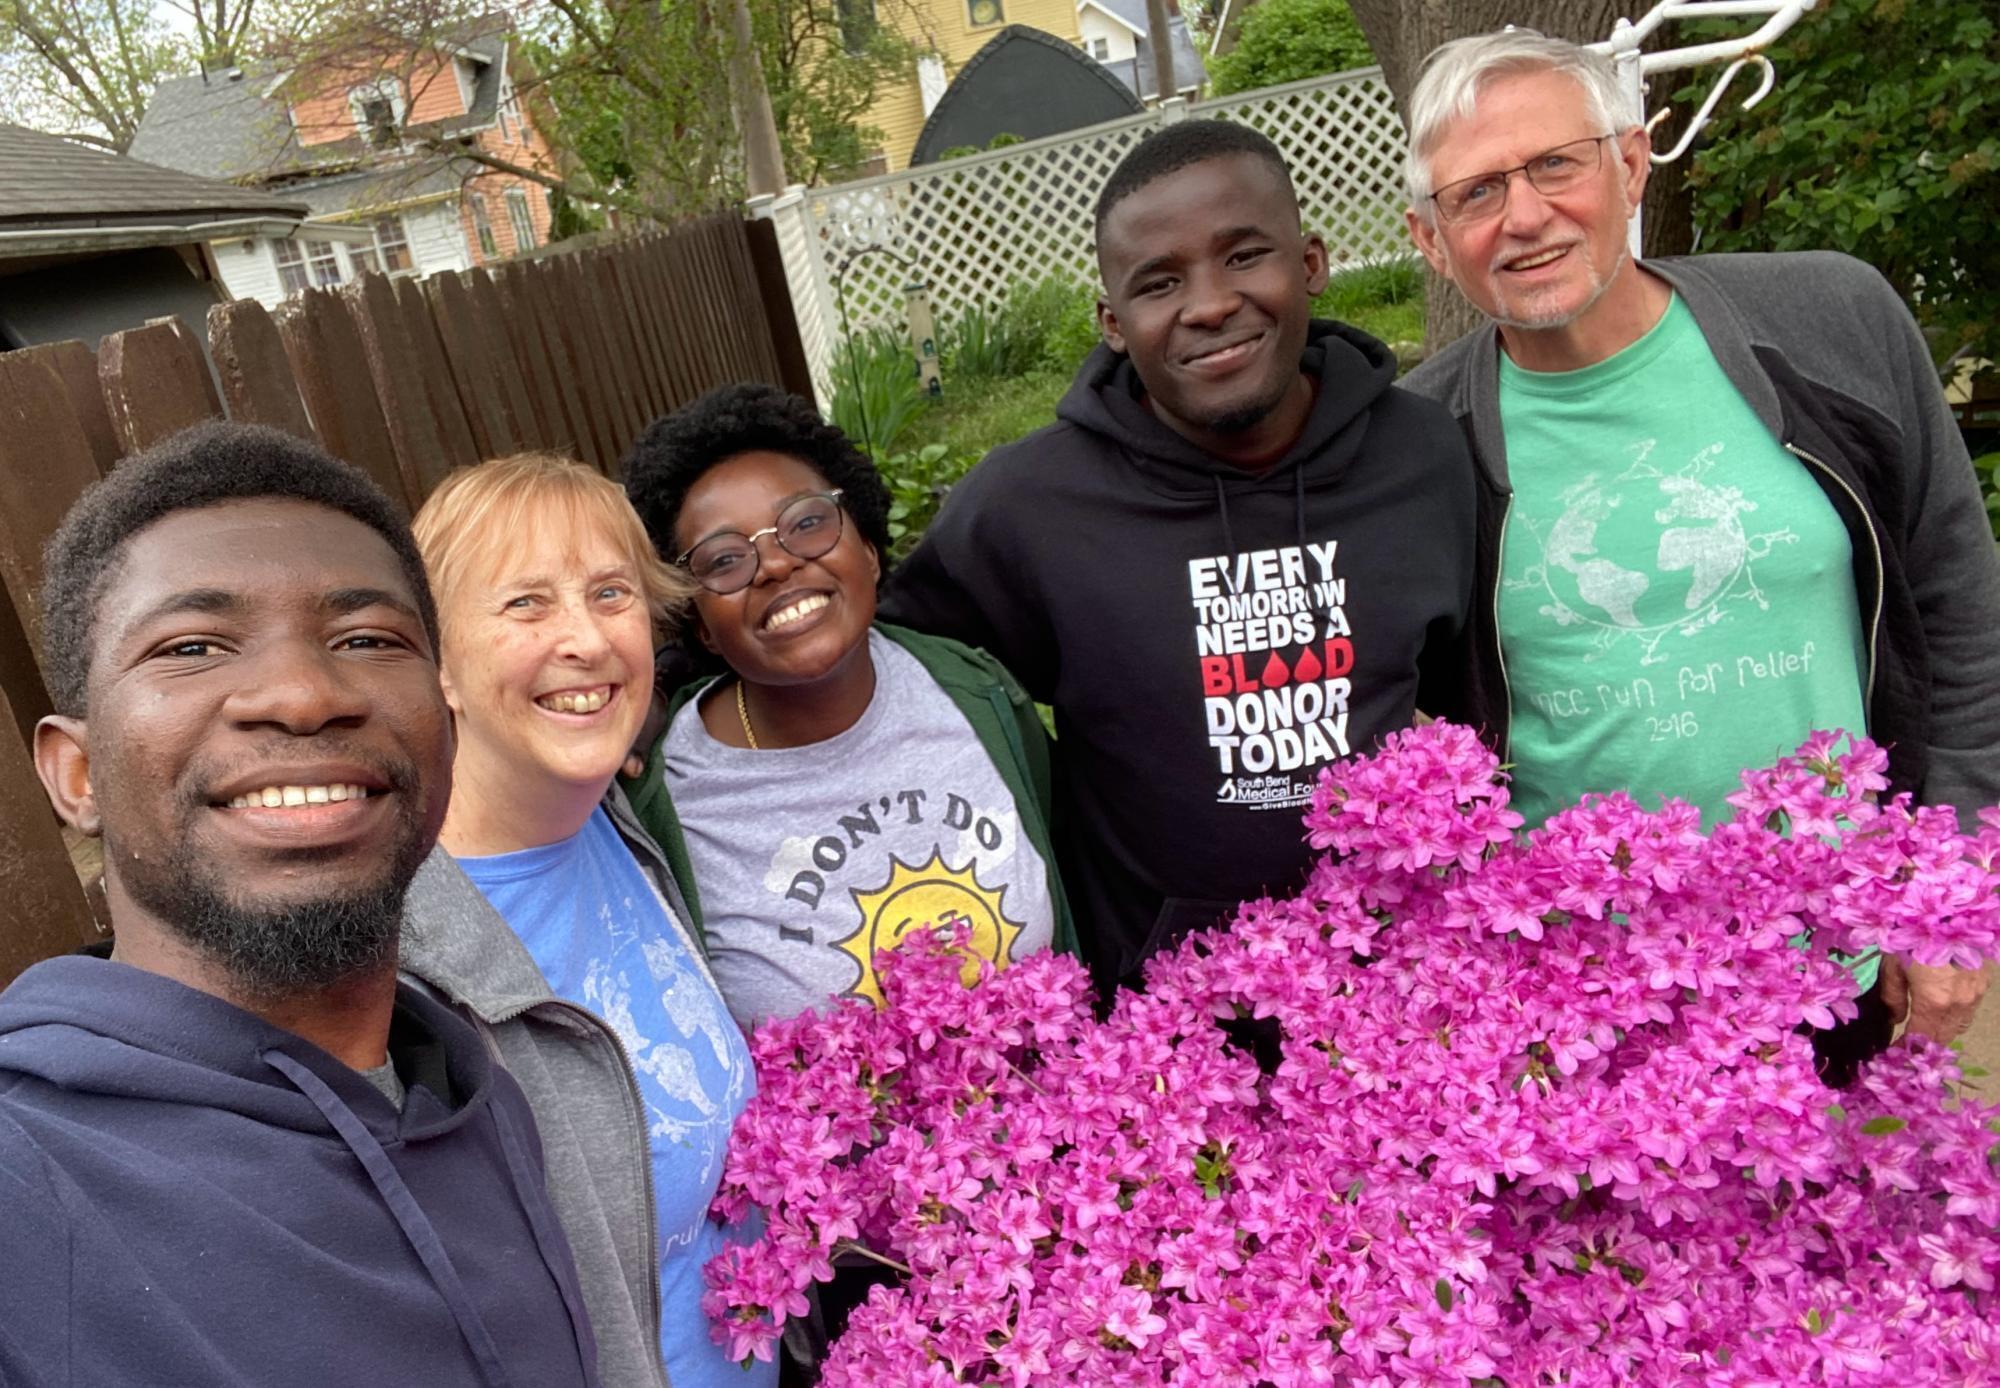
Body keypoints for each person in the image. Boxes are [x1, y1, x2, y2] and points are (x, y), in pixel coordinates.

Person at [1396, 29, 1999, 1072]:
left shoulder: (1829, 321)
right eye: (1475, 192)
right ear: (1428, 238)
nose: (1524, 215)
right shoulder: (1411, 444)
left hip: (1833, 964)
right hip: (1576, 1009)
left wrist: (1939, 886)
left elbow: (1960, 610)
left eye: (1554, 163)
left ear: (1628, 163)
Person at [1, 421, 600, 1388]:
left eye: (366, 638)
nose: (302, 693)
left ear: (446, 732)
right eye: (193, 645)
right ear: (76, 775)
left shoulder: (475, 1093)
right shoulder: (27, 1188)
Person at [880, 119, 1477, 993]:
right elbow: (885, 671)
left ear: (1311, 264)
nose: (1207, 304)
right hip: (1163, 1027)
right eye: (1159, 283)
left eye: (1243, 257)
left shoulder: (1422, 456)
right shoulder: (1029, 509)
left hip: (1403, 989)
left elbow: (1468, 695)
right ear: (1113, 322)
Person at [406, 453, 771, 1388]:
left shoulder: (613, 825)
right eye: (525, 604)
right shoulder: (406, 955)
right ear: (438, 662)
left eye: (610, 594)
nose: (586, 639)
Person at [619, 383, 1075, 1028]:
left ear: (865, 544)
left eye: (806, 522)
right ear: (697, 621)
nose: (775, 565)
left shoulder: (980, 697)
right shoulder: (659, 795)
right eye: (725, 559)